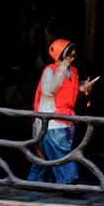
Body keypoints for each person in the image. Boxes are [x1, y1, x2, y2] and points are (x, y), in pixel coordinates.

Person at [28, 39, 93, 185]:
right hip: (51, 120)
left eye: (73, 56)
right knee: (60, 151)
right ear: (61, 54)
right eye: (69, 55)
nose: (72, 58)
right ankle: (68, 181)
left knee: (44, 155)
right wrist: (62, 67)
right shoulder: (50, 70)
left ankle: (35, 181)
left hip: (65, 119)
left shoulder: (73, 71)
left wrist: (83, 88)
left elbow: (71, 91)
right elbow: (50, 90)